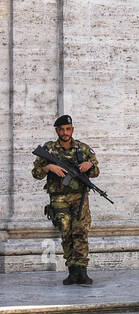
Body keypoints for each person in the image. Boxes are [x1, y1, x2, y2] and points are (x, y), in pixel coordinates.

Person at [32, 115, 99, 285]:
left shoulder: (83, 149)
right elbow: (36, 173)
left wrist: (89, 166)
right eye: (61, 129)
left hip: (80, 198)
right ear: (57, 130)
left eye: (68, 129)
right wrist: (48, 167)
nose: (65, 132)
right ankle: (72, 272)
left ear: (72, 129)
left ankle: (82, 271)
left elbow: (96, 171)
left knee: (81, 233)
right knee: (66, 233)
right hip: (59, 199)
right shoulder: (49, 149)